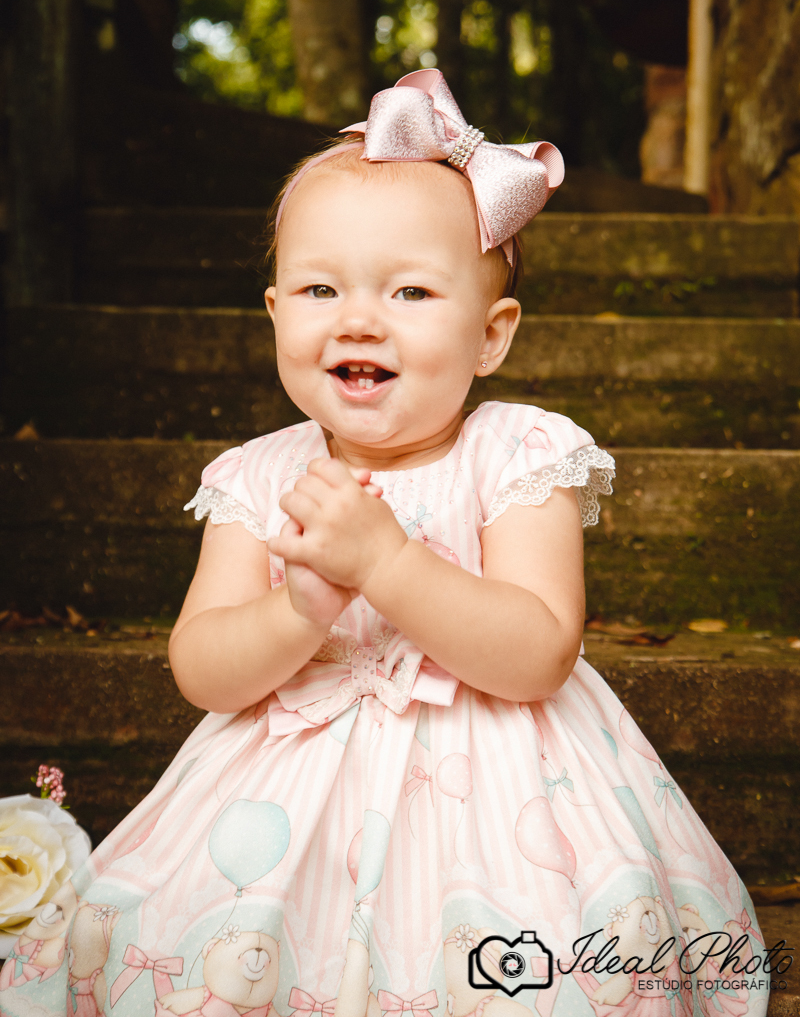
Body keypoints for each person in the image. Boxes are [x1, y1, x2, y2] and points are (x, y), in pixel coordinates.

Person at [0, 71, 768, 1017]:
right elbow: (202, 668)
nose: (359, 317)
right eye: (321, 287)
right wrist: (297, 609)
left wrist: (390, 567)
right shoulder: (257, 475)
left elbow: (538, 654)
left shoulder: (516, 454)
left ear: (492, 336)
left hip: (498, 784)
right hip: (280, 798)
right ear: (277, 313)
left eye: (410, 290)